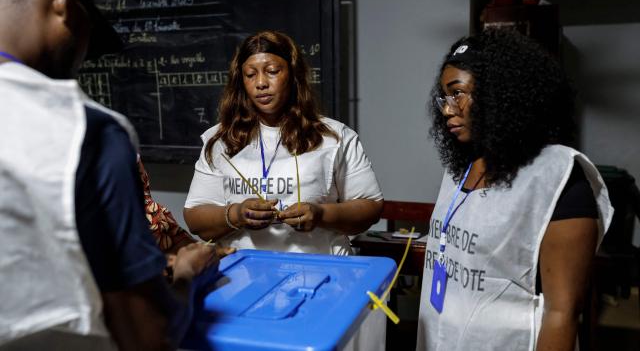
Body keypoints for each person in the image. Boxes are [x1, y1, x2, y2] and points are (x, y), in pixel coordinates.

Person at [0, 0, 217, 350]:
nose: (83, 58)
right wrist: (188, 275)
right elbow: (146, 334)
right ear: (63, 2)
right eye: (87, 37)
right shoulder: (85, 130)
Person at [415, 29, 614, 351]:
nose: (447, 109)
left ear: (501, 94)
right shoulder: (461, 168)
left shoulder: (557, 176)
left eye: (458, 93)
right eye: (443, 97)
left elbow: (562, 314)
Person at [183, 30, 383, 255]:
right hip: (241, 273)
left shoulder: (335, 137)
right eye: (250, 75)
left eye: (272, 71)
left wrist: (320, 214)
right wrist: (236, 214)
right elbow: (195, 219)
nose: (260, 83)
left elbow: (370, 207)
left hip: (321, 272)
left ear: (293, 75)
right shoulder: (220, 139)